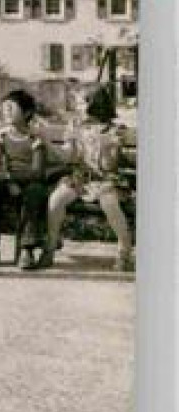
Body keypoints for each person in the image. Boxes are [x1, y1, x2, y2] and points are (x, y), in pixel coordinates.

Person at [44, 83, 134, 272]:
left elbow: (109, 166)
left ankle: (124, 251)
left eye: (80, 102)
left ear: (94, 104)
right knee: (56, 199)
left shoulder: (112, 130)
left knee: (108, 202)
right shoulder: (75, 127)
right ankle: (50, 247)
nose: (77, 107)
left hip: (107, 180)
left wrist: (110, 146)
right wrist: (47, 143)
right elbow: (69, 157)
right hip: (81, 178)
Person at [0, 89, 55, 269]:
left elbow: (37, 171)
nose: (6, 112)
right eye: (4, 108)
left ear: (27, 113)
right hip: (7, 182)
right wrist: (10, 181)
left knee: (34, 194)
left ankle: (26, 249)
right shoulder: (1, 137)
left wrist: (14, 179)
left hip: (30, 183)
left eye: (11, 108)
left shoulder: (35, 139)